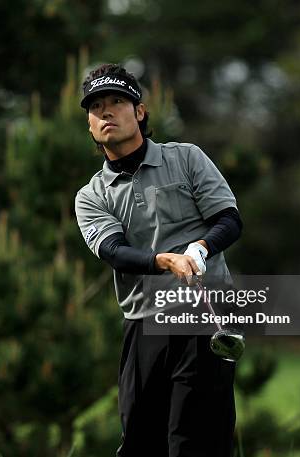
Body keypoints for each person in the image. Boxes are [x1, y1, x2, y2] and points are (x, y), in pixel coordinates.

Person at [74, 63, 243, 457]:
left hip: (206, 313)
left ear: (140, 111)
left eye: (118, 101)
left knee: (195, 440)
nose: (107, 112)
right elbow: (114, 251)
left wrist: (200, 249)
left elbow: (229, 219)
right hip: (145, 323)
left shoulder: (186, 158)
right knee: (140, 441)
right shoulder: (92, 195)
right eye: (97, 107)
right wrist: (164, 261)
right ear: (90, 125)